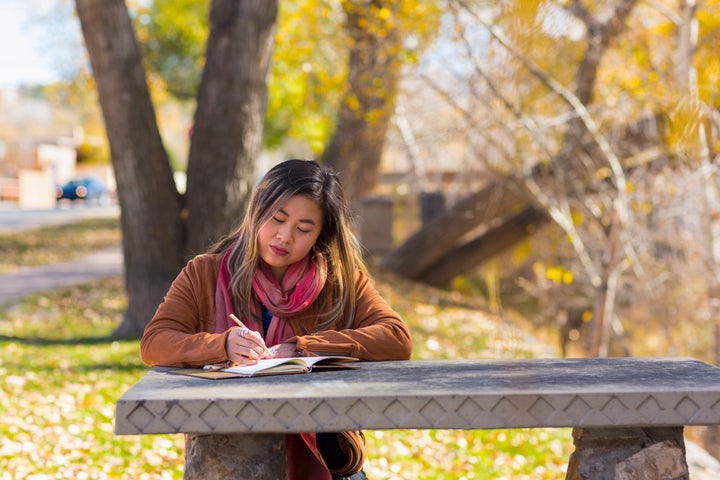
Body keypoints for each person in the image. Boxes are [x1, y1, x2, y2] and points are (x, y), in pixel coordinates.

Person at [140, 159, 413, 480]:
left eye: (303, 229)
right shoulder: (205, 272)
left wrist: (304, 348)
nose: (284, 236)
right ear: (257, 211)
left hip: (324, 452)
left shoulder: (341, 280)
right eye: (277, 219)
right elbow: (154, 343)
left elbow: (397, 337)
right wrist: (221, 345)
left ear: (320, 234)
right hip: (228, 447)